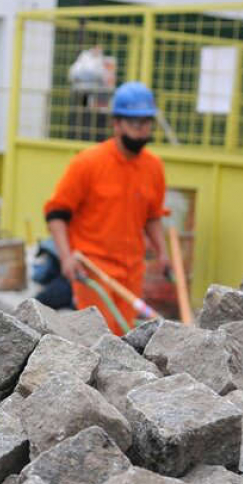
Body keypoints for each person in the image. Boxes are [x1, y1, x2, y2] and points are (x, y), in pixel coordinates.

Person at [43, 81, 169, 334]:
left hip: (132, 270)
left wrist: (163, 254)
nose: (141, 130)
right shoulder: (88, 163)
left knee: (124, 338)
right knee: (99, 336)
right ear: (117, 123)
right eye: (134, 123)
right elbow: (56, 213)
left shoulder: (153, 167)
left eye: (146, 123)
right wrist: (67, 258)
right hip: (92, 268)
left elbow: (153, 217)